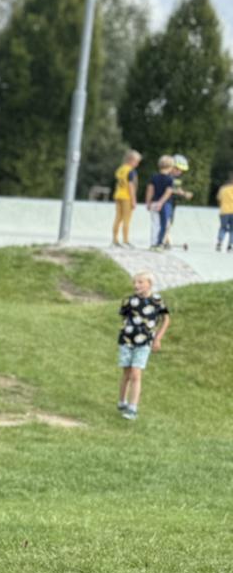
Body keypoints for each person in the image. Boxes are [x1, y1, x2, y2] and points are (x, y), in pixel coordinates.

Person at [117, 271, 169, 420]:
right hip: (126, 341)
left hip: (144, 342)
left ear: (149, 284)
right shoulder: (128, 300)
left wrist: (158, 338)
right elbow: (125, 318)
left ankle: (133, 408)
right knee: (126, 373)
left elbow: (166, 319)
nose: (136, 285)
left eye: (140, 282)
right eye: (134, 282)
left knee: (135, 373)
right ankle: (122, 402)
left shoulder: (157, 301)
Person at [111, 151, 141, 248]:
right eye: (136, 161)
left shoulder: (120, 169)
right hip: (127, 197)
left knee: (117, 218)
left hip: (118, 195)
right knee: (126, 219)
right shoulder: (131, 171)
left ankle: (115, 240)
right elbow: (130, 186)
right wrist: (134, 199)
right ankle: (125, 240)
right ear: (131, 160)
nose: (137, 164)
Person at [147, 158, 175, 250]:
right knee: (164, 225)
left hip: (154, 202)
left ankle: (153, 243)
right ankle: (160, 244)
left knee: (155, 224)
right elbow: (168, 192)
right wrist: (161, 202)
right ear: (171, 167)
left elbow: (150, 190)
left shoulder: (154, 177)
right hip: (164, 204)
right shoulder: (169, 179)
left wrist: (148, 202)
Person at [216, 169, 233, 253]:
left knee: (222, 227)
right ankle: (230, 245)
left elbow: (219, 199)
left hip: (224, 211)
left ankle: (219, 242)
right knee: (232, 230)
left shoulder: (223, 189)